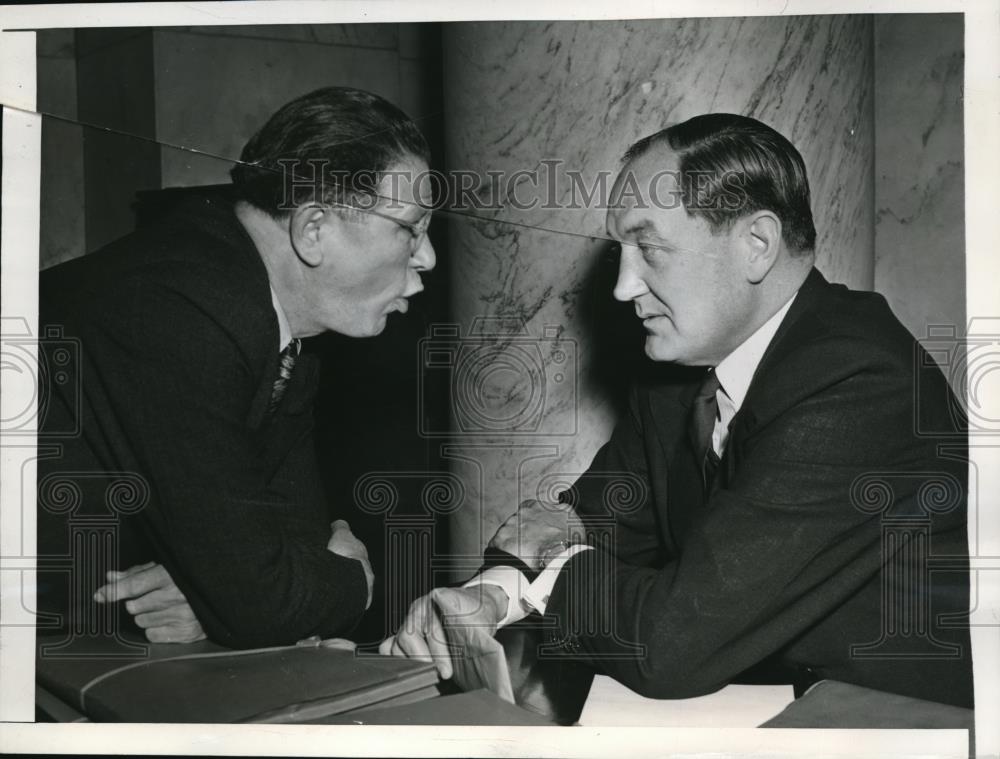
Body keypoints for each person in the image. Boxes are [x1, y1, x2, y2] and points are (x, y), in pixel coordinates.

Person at [382, 113, 973, 708]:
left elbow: (670, 641)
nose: (622, 287)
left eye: (649, 248)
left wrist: (555, 561)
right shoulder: (676, 376)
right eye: (621, 251)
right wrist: (491, 596)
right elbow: (600, 522)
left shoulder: (860, 380)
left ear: (756, 246)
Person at [37, 87, 436, 648]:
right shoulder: (178, 308)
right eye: (410, 228)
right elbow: (263, 597)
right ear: (313, 229)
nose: (427, 257)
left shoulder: (273, 317)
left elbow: (289, 540)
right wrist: (354, 582)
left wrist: (220, 592)